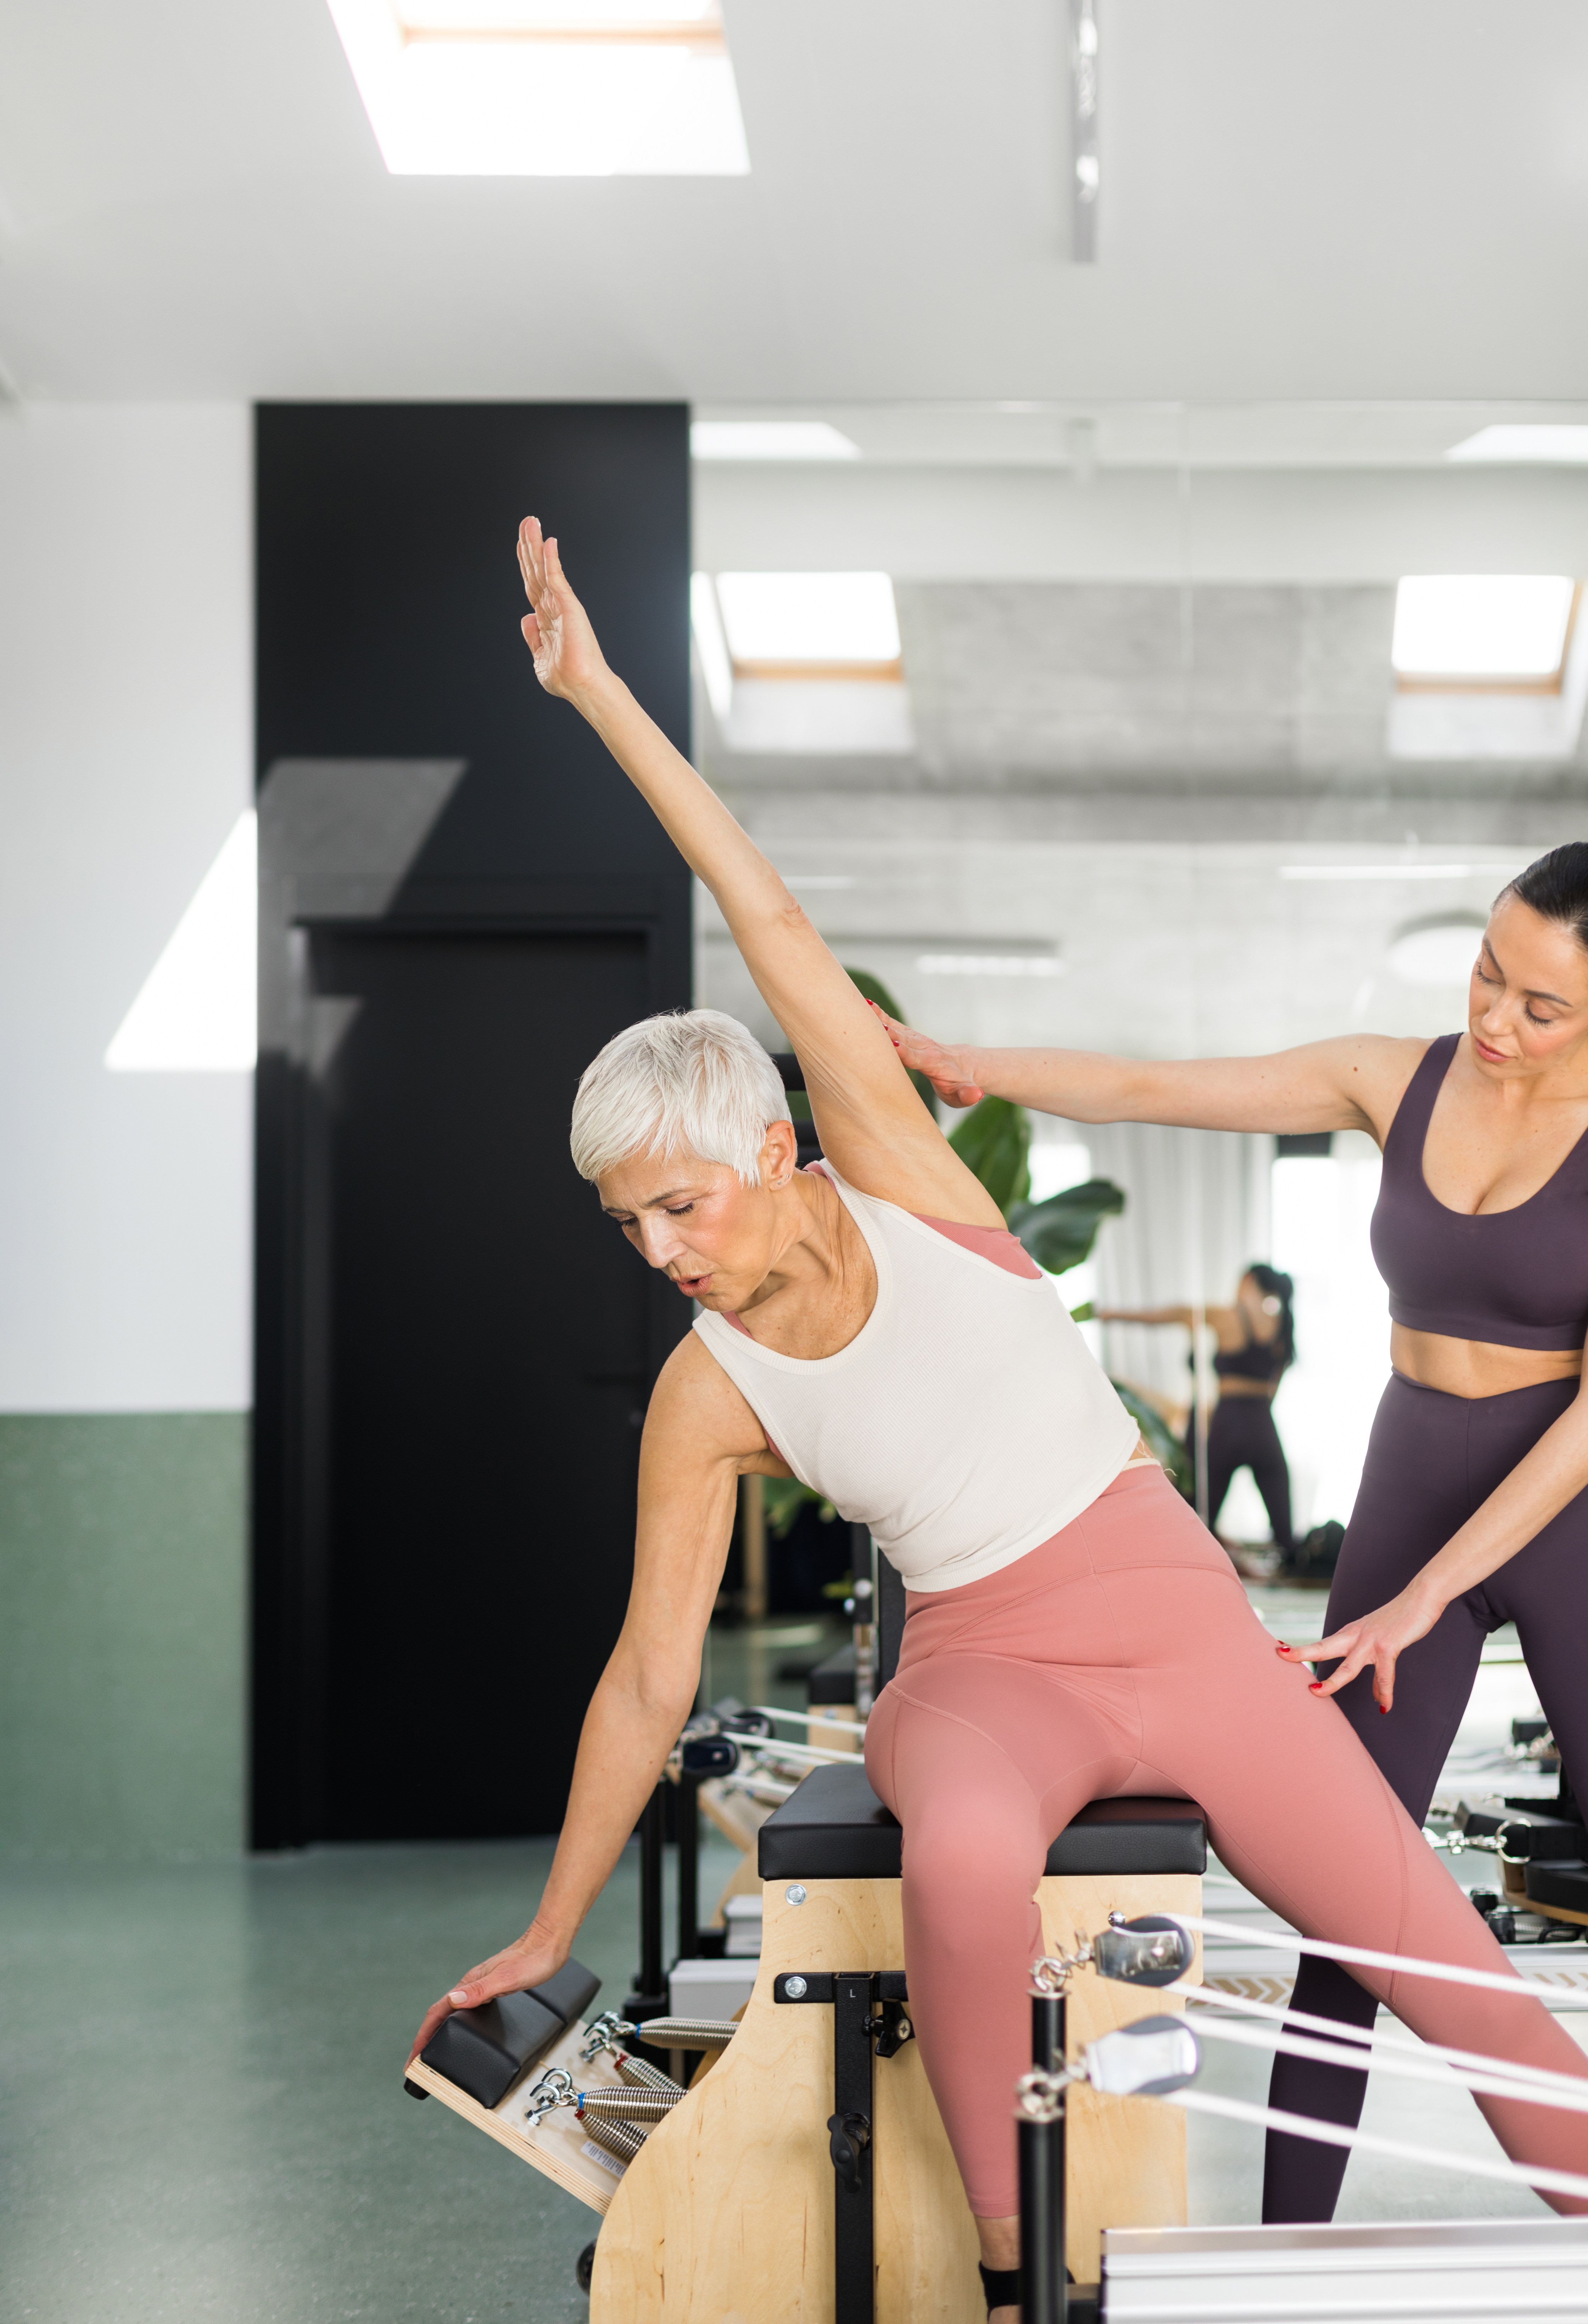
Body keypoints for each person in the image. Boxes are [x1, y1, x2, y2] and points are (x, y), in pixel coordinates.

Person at [408, 527, 1588, 2316]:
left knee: (1442, 1962)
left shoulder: (891, 1165)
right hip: (979, 1674)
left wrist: (595, 696)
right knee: (960, 1856)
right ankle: (1006, 2272)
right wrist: (553, 1932)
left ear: (773, 1152)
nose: (661, 1253)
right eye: (626, 1227)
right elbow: (647, 1682)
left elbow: (767, 914)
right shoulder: (703, 1394)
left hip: (1182, 1629)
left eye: (681, 1209)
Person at [874, 851, 1588, 2224]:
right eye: (1485, 974)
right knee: (1353, 1899)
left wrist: (1430, 1596)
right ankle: (1290, 2248)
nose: (1494, 1018)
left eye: (1541, 1007)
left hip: (1560, 1512)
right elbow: (1156, 1089)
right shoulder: (1398, 1076)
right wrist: (966, 1064)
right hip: (1412, 1479)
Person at [1099, 1266, 1297, 1563]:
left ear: (1248, 1282)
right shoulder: (1281, 1323)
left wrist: (1114, 1315)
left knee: (1199, 1517)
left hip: (1230, 1423)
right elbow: (1273, 1388)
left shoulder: (1229, 1316)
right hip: (1263, 1424)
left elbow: (1175, 1314)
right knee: (1285, 1534)